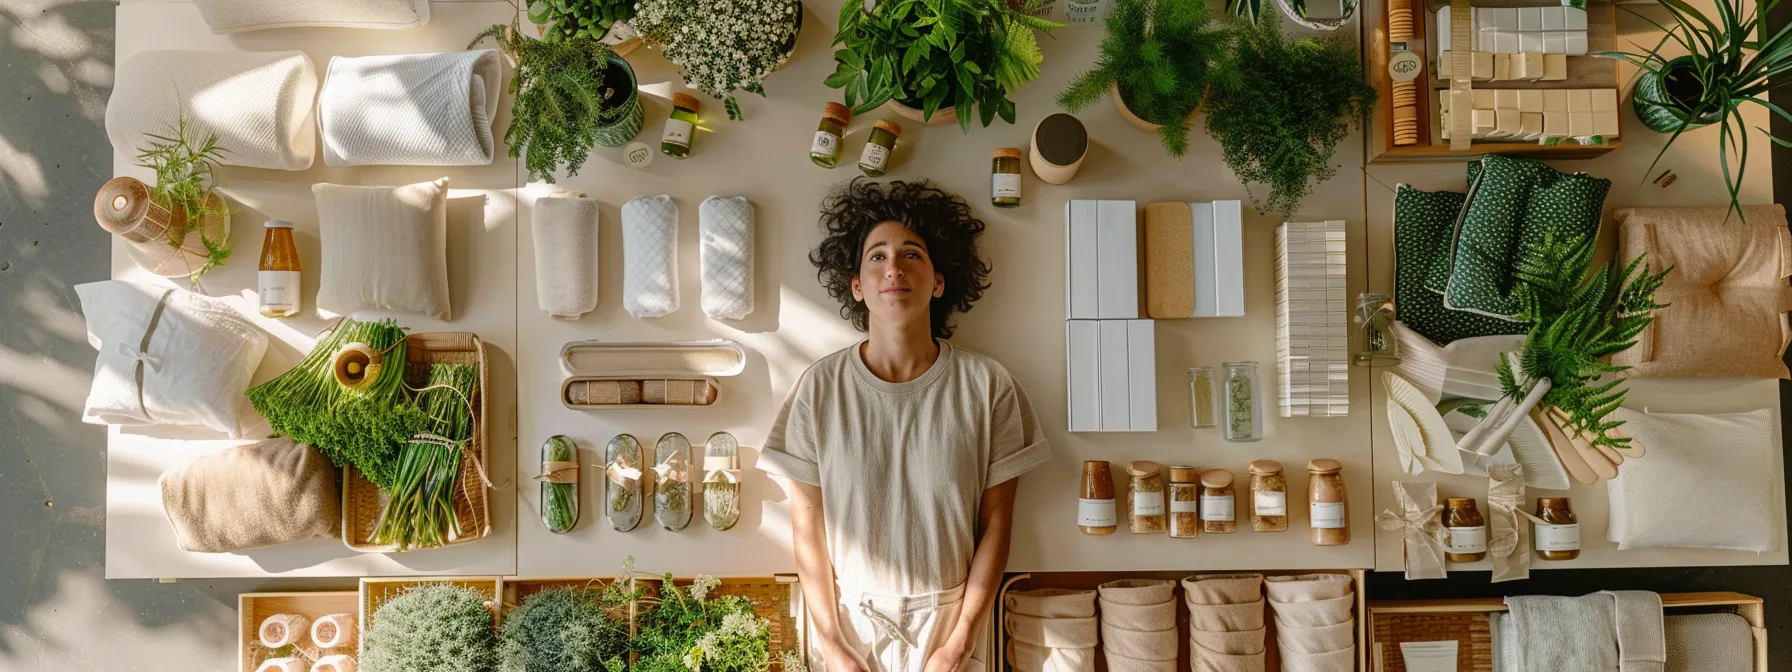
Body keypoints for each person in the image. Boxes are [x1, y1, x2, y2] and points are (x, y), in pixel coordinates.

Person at [761, 179, 1051, 672]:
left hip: (952, 625)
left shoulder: (988, 386)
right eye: (877, 256)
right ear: (856, 286)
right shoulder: (818, 389)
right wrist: (833, 646)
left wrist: (959, 643)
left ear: (938, 281)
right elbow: (806, 528)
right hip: (847, 627)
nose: (893, 267)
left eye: (911, 254)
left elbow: (997, 524)